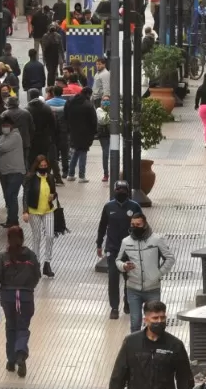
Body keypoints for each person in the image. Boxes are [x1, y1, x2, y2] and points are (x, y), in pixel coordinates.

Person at [0, 227, 41, 377]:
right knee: (23, 326)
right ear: (22, 238)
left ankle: (11, 360)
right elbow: (37, 274)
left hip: (8, 297)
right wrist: (29, 287)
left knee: (11, 326)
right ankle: (21, 354)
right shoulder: (30, 256)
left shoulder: (3, 257)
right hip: (25, 297)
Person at [115, 212, 175, 333]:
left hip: (152, 289)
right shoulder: (126, 242)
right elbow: (118, 260)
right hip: (133, 289)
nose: (135, 227)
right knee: (135, 322)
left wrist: (158, 274)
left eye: (138, 224)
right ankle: (136, 349)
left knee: (154, 323)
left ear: (145, 224)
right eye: (132, 224)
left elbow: (170, 258)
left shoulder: (156, 240)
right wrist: (124, 266)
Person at [96, 182, 143, 320]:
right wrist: (99, 244)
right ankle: (114, 307)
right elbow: (102, 226)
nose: (120, 191)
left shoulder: (134, 207)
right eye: (118, 189)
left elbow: (142, 226)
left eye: (123, 189)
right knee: (113, 278)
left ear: (128, 191)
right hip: (112, 248)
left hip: (130, 249)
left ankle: (127, 302)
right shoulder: (108, 207)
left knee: (129, 277)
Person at [21, 154, 60, 277]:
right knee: (36, 237)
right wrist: (25, 211)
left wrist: (53, 196)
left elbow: (54, 192)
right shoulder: (30, 178)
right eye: (41, 165)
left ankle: (47, 263)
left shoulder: (50, 177)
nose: (43, 168)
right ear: (36, 166)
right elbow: (25, 195)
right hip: (34, 211)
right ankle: (35, 263)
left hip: (48, 210)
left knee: (50, 236)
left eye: (45, 165)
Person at [0, 115, 25, 228]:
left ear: (12, 126)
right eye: (3, 125)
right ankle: (10, 219)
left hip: (15, 171)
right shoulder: (2, 136)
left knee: (11, 195)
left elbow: (3, 148)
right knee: (8, 197)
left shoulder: (15, 136)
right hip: (5, 172)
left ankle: (14, 221)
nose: (4, 127)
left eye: (6, 125)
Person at [64, 86, 98, 182]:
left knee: (76, 151)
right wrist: (94, 132)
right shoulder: (88, 105)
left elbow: (65, 115)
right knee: (83, 152)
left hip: (73, 131)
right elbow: (93, 121)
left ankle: (70, 174)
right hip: (85, 133)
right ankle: (82, 176)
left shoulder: (70, 101)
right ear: (88, 94)